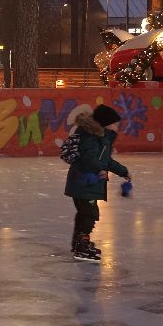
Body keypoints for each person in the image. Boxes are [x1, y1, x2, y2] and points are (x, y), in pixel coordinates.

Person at [64, 104, 130, 263]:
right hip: (84, 183)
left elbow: (106, 160)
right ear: (106, 124)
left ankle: (79, 244)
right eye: (115, 124)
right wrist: (100, 169)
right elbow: (90, 157)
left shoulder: (102, 138)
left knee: (84, 214)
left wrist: (123, 171)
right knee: (89, 214)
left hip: (85, 184)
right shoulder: (92, 137)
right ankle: (82, 245)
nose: (117, 127)